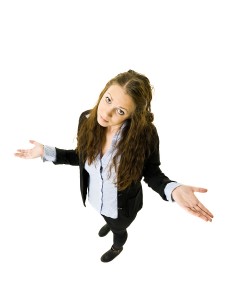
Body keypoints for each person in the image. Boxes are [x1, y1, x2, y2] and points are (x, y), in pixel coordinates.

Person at [14, 69, 214, 263]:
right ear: (104, 91)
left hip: (122, 209)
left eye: (120, 111)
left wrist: (173, 189)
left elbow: (151, 173)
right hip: (95, 198)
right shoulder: (86, 119)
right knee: (106, 218)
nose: (106, 113)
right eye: (108, 99)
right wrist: (46, 152)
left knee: (119, 229)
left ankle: (117, 245)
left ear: (131, 116)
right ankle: (108, 224)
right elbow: (82, 157)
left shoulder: (145, 136)